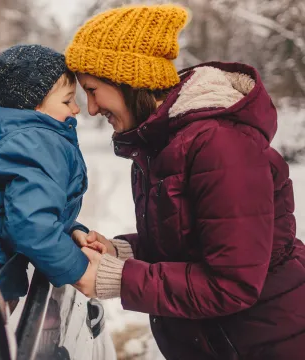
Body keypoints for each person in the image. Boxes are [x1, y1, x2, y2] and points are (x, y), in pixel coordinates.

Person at [67, 4, 305, 359]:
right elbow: (188, 246)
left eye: (92, 89)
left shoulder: (221, 146)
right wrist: (122, 253)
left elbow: (232, 283)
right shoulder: (157, 146)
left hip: (266, 342)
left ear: (128, 82)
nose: (91, 108)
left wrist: (120, 278)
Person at [0, 44, 105, 304]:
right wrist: (80, 272)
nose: (76, 109)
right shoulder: (38, 143)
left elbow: (23, 203)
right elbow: (31, 225)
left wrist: (70, 230)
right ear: (34, 105)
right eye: (67, 100)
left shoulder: (6, 133)